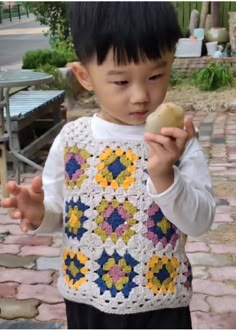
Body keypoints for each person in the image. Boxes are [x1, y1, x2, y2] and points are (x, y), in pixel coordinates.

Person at [1, 2, 216, 329]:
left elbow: (200, 222)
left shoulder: (178, 142)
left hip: (161, 300)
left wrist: (165, 176)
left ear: (172, 62)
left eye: (156, 75)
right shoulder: (72, 139)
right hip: (86, 297)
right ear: (84, 76)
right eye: (121, 82)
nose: (141, 96)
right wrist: (38, 213)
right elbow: (61, 213)